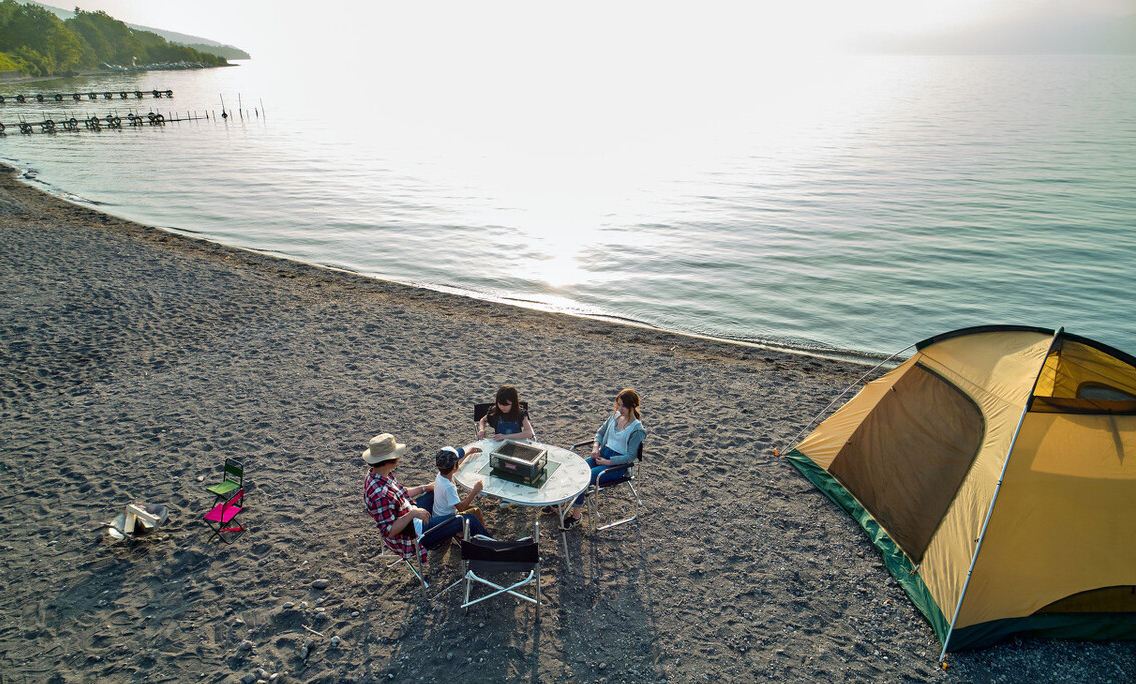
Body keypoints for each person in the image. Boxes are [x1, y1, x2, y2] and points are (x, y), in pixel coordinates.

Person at [362, 432, 460, 563]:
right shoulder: (380, 495)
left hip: (407, 513)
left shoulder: (377, 474)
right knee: (464, 519)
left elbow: (400, 493)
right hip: (408, 534)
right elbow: (389, 531)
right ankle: (487, 549)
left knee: (435, 491)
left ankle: (442, 531)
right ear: (389, 461)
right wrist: (413, 514)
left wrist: (425, 487)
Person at [561, 389, 646, 530]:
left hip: (617, 465)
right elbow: (600, 433)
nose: (620, 409)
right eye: (618, 405)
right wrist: (595, 447)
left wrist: (608, 462)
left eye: (623, 406)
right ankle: (563, 505)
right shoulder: (615, 417)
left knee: (585, 478)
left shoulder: (637, 429)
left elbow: (630, 457)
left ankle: (576, 517)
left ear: (632, 406)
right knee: (577, 469)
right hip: (603, 454)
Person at [431, 446, 491, 537]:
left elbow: (455, 466)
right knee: (476, 510)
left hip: (438, 515)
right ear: (454, 467)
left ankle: (465, 532)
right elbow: (461, 508)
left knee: (474, 508)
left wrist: (468, 453)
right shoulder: (448, 487)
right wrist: (475, 490)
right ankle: (484, 535)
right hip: (447, 520)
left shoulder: (442, 474)